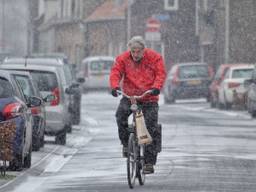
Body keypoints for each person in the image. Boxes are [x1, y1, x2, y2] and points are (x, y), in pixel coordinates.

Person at [109, 36, 166, 174]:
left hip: (148, 97)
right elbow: (116, 72)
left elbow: (160, 73)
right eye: (133, 51)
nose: (135, 54)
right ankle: (126, 144)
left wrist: (156, 87)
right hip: (131, 97)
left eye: (138, 51)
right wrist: (115, 86)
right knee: (120, 116)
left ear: (143, 50)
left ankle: (149, 162)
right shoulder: (123, 59)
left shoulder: (154, 58)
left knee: (151, 126)